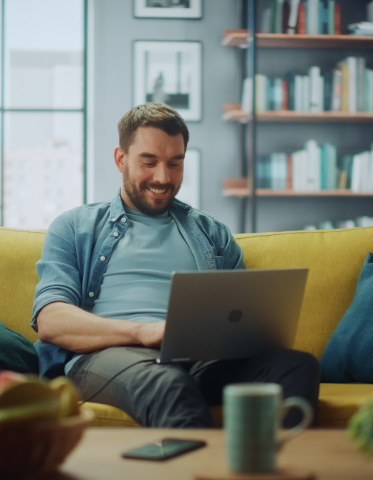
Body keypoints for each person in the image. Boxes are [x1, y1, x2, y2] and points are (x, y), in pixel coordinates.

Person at [31, 102, 319, 428]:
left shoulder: (212, 232)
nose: (163, 177)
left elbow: (241, 320)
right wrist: (145, 332)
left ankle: (271, 458)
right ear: (121, 158)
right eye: (149, 162)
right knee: (167, 383)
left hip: (199, 362)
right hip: (106, 358)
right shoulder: (74, 227)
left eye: (175, 163)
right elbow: (51, 321)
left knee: (296, 366)